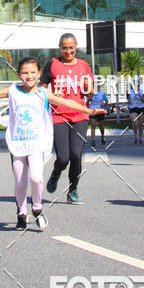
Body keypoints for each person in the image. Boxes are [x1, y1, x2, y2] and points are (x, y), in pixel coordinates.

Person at [0, 56, 105, 230]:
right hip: (17, 144)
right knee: (20, 182)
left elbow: (67, 102)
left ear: (39, 74)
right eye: (25, 73)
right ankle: (22, 213)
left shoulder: (43, 94)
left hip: (36, 143)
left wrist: (90, 111)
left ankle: (38, 208)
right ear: (19, 75)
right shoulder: (12, 91)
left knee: (36, 178)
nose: (29, 76)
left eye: (33, 72)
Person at [40, 33, 96, 205]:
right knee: (63, 158)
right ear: (60, 47)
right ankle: (56, 173)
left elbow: (90, 94)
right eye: (65, 47)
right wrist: (51, 94)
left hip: (79, 115)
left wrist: (89, 89)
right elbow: (42, 88)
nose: (68, 51)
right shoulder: (53, 64)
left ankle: (73, 191)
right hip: (58, 115)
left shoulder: (84, 66)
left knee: (76, 156)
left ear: (76, 47)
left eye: (71, 47)